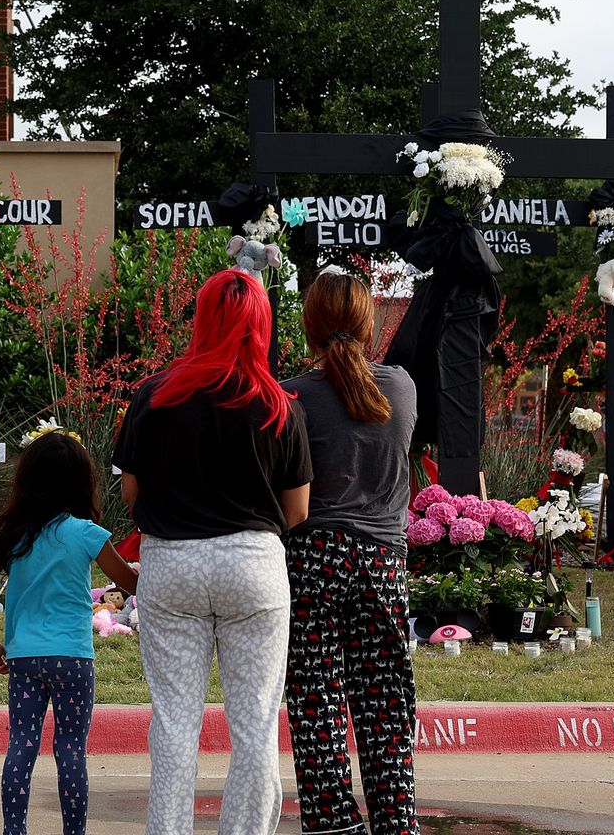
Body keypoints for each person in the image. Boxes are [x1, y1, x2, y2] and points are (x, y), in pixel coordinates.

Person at [111, 268, 312, 835]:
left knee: (175, 721)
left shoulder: (155, 395)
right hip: (253, 566)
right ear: (262, 327)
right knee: (255, 724)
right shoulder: (280, 405)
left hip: (173, 565)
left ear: (200, 320)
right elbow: (297, 511)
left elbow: (131, 492)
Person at [279, 270, 421, 835]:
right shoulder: (402, 388)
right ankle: (395, 820)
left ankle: (334, 823)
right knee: (385, 700)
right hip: (382, 559)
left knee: (316, 701)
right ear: (369, 324)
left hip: (312, 556)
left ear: (310, 327)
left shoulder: (293, 396)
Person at [0, 431, 140, 835]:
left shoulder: (16, 533)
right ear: (81, 481)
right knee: (71, 751)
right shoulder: (86, 534)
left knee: (21, 747)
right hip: (74, 659)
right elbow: (129, 585)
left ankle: (15, 830)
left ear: (28, 479)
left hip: (24, 657)